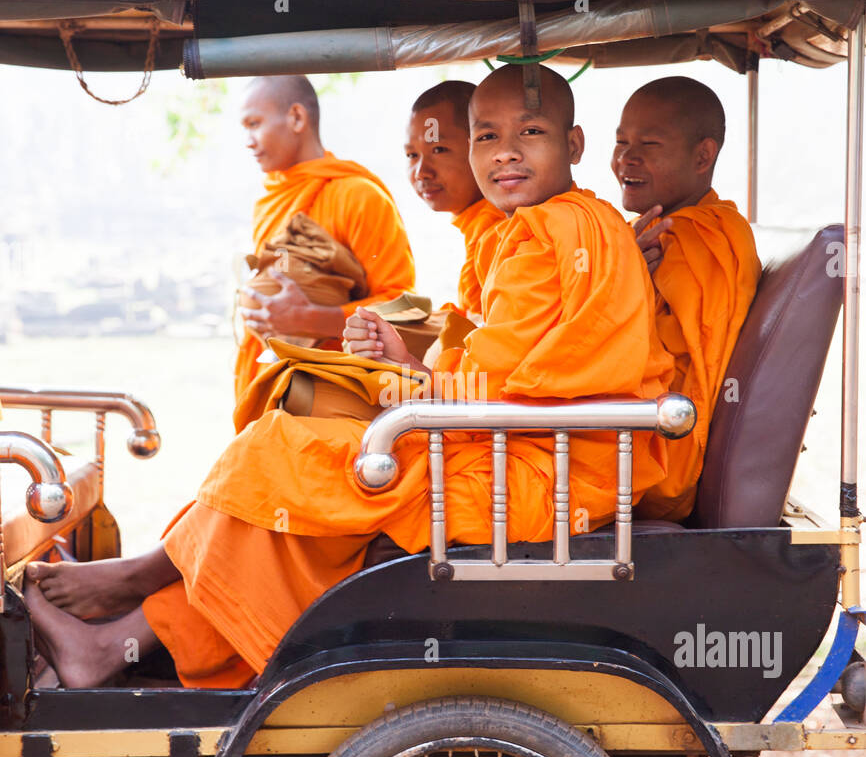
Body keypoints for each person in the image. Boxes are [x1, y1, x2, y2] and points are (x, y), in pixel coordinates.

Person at [26, 65, 674, 690]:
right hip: (545, 451)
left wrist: (411, 369)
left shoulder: (541, 234)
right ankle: (118, 634)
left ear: (573, 143)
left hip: (538, 469)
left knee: (276, 452)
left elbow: (493, 377)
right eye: (487, 137)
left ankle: (133, 596)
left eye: (528, 133)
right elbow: (506, 356)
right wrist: (410, 359)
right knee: (287, 476)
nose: (504, 154)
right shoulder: (568, 225)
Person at [613, 75, 761, 520]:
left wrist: (619, 276)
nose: (626, 158)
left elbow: (650, 361)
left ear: (703, 155)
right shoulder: (656, 233)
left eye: (649, 144)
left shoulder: (694, 236)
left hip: (655, 453)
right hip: (637, 429)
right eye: (620, 141)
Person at [234, 75, 415, 405]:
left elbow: (403, 308)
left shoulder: (358, 196)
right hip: (273, 378)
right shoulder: (269, 200)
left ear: (297, 118)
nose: (248, 140)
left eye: (255, 123)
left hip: (339, 391)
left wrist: (312, 319)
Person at [404, 80, 502, 317]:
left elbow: (493, 336)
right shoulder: (479, 228)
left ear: (482, 146)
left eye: (439, 150)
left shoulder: (500, 233)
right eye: (412, 155)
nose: (421, 172)